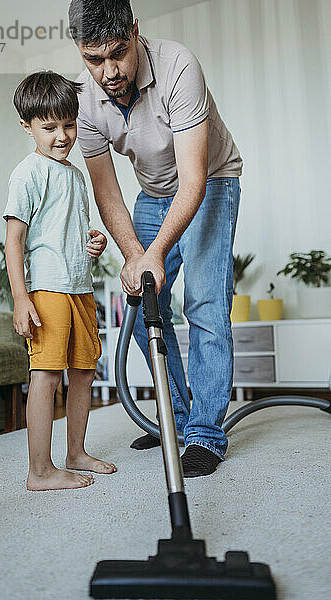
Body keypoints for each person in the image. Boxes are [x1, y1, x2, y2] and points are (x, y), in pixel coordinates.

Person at [68, 0, 243, 477]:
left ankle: (205, 435)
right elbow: (106, 191)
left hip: (209, 183)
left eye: (117, 54)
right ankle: (178, 417)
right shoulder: (82, 100)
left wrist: (156, 252)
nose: (108, 71)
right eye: (93, 60)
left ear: (135, 32)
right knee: (143, 303)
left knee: (205, 303)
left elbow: (193, 182)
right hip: (153, 194)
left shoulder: (178, 67)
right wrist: (133, 257)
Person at [3, 71, 117, 491]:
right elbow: (14, 240)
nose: (62, 135)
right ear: (27, 125)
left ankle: (75, 452)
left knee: (84, 372)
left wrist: (94, 241)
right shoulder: (27, 173)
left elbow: (71, 227)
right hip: (48, 290)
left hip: (81, 288)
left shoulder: (74, 174)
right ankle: (40, 471)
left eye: (68, 124)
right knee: (47, 375)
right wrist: (20, 297)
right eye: (50, 127)